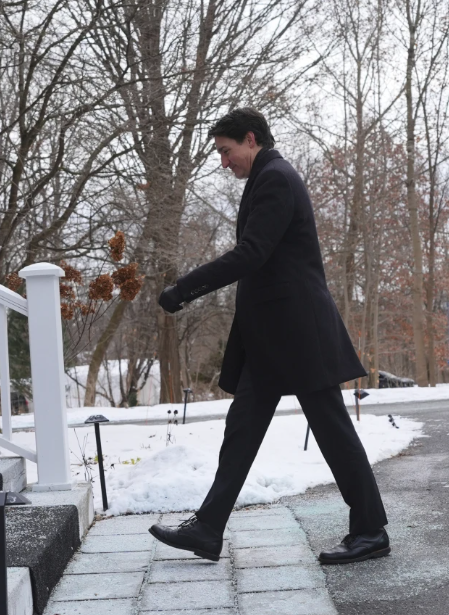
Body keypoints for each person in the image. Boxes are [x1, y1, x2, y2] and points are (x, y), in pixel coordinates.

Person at [149, 108, 390, 565]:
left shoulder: (276, 178)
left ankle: (370, 530)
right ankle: (208, 528)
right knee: (241, 430)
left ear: (251, 139)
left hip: (298, 334)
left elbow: (252, 254)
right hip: (274, 338)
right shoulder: (266, 177)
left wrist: (185, 289)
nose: (223, 162)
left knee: (332, 430)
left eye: (225, 151)